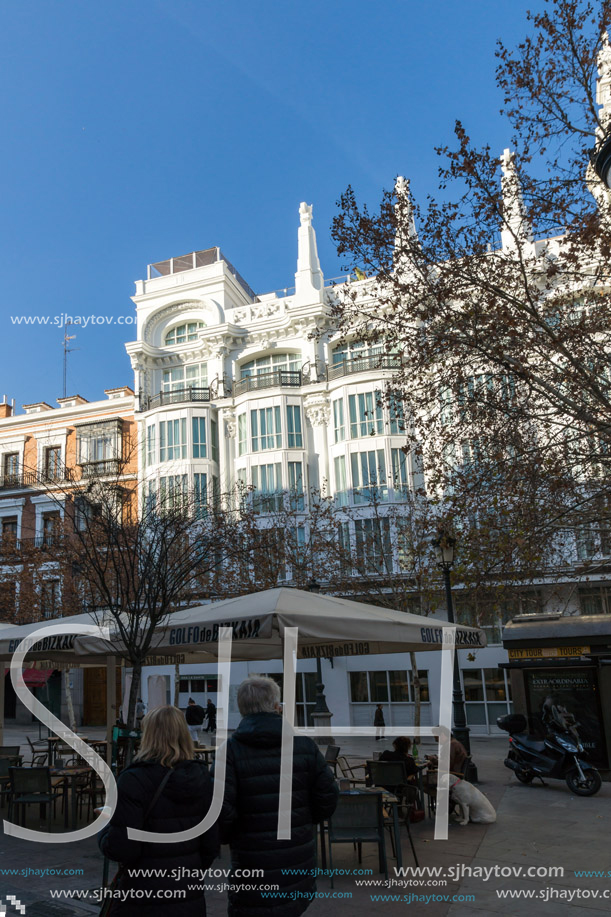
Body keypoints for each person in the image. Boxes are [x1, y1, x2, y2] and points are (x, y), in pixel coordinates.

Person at [216, 675, 338, 915]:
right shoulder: (305, 747)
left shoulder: (228, 752)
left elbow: (220, 812)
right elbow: (328, 797)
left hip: (251, 862)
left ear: (242, 710)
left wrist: (235, 835)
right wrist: (302, 819)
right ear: (276, 707)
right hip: (297, 859)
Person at [98, 705, 219, 916]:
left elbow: (121, 848)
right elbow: (210, 844)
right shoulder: (204, 779)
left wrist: (104, 830)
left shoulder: (133, 780)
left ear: (148, 736)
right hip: (187, 895)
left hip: (142, 896)